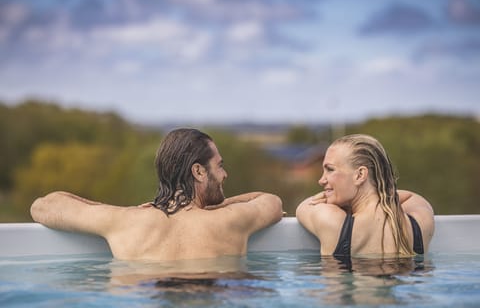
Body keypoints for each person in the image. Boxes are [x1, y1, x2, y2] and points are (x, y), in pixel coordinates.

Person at [31, 128, 283, 261]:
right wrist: (220, 207)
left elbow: (43, 206)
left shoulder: (124, 221)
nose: (225, 175)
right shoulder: (231, 220)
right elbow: (271, 202)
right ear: (198, 171)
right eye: (219, 166)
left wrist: (115, 209)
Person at [296, 134, 434, 258]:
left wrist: (329, 199)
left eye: (330, 170)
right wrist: (380, 194)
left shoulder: (333, 222)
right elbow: (412, 197)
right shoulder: (421, 224)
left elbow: (304, 206)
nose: (322, 180)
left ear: (360, 175)